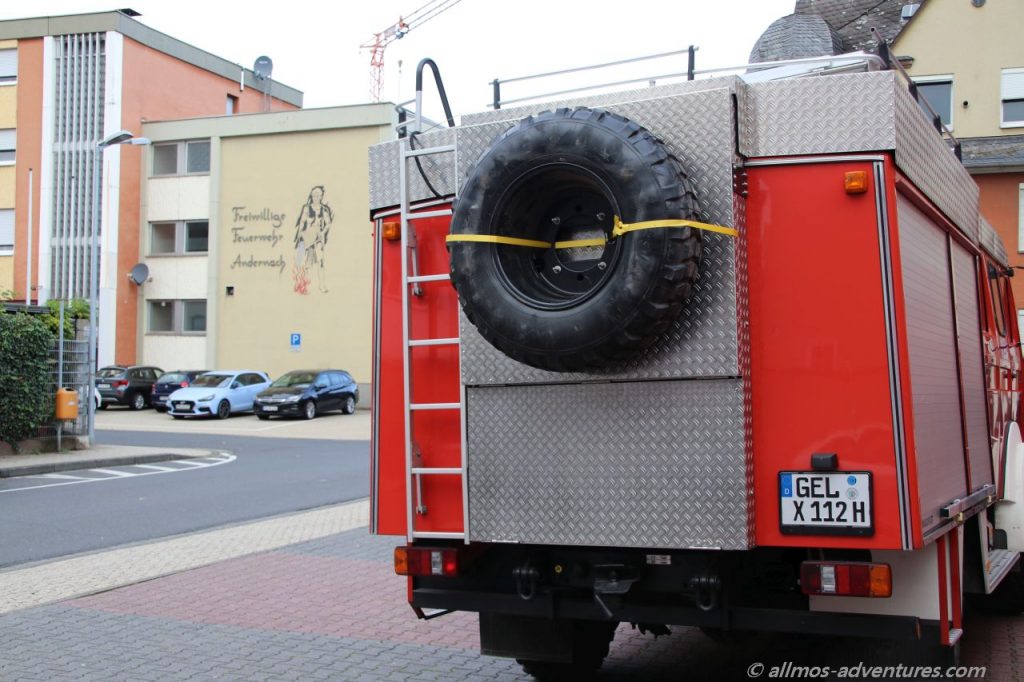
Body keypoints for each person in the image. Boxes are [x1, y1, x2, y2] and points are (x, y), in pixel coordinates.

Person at [293, 186, 334, 293]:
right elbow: (302, 222)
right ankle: (302, 286)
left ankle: (322, 285)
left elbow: (328, 223)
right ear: (311, 196)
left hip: (318, 238)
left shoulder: (324, 209)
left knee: (320, 261)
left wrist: (322, 233)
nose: (316, 197)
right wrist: (299, 236)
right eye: (314, 195)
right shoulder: (306, 208)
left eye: (318, 195)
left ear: (321, 196)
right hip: (306, 236)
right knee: (302, 261)